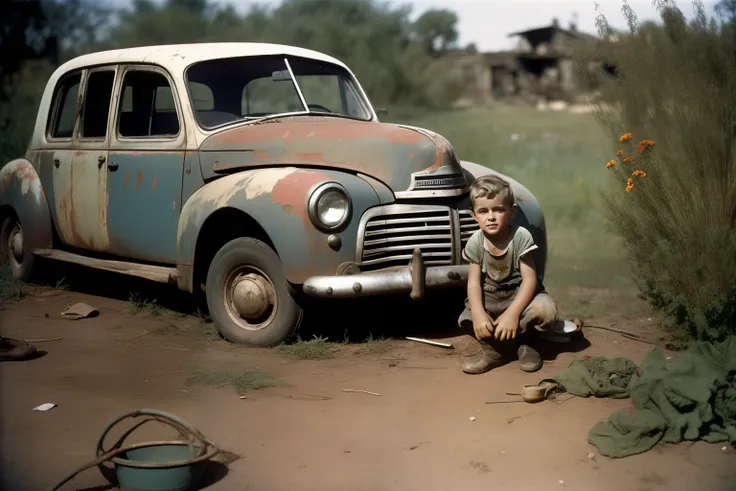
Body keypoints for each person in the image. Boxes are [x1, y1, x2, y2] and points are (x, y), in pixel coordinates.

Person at [458, 174, 560, 374]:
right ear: (473, 215)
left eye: (498, 209)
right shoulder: (476, 241)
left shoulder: (520, 237)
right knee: (468, 317)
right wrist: (479, 314)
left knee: (545, 310)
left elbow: (530, 280)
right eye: (483, 211)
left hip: (520, 294)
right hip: (492, 295)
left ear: (512, 211)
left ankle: (527, 344)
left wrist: (512, 314)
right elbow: (473, 283)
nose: (491, 216)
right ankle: (495, 352)